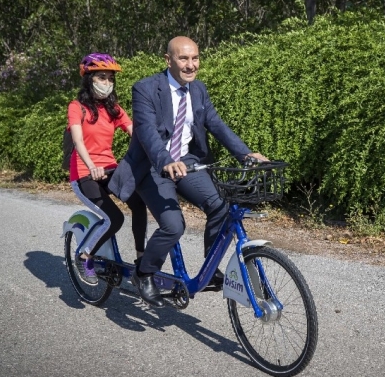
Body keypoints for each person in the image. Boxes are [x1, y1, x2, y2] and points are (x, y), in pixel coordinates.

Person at [109, 36, 268, 307]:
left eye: (195, 58)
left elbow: (217, 125)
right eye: (184, 59)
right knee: (173, 226)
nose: (191, 65)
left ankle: (210, 266)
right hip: (153, 167)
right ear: (168, 60)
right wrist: (165, 160)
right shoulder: (145, 89)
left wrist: (245, 153)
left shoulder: (198, 90)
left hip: (187, 162)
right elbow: (147, 133)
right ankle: (144, 272)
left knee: (219, 206)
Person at [68, 52, 148, 284]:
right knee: (114, 218)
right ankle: (85, 256)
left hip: (110, 170)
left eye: (110, 79)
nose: (107, 83)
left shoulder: (114, 110)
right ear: (89, 79)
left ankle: (141, 261)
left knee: (139, 203)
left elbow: (138, 134)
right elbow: (78, 141)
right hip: (85, 173)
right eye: (101, 77)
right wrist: (91, 165)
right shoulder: (77, 107)